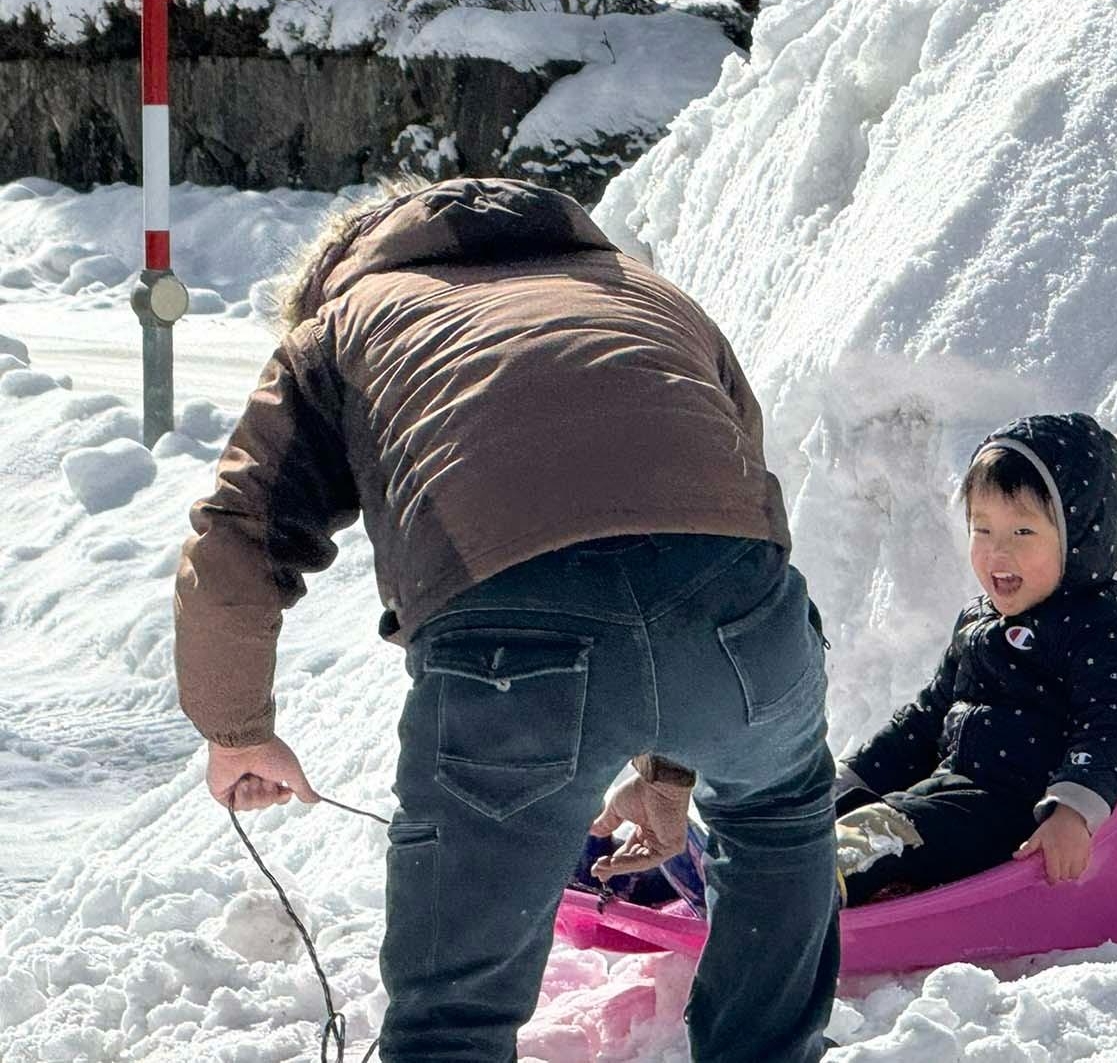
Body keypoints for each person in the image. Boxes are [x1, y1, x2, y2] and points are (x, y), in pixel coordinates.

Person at [174, 177, 838, 1063]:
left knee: (456, 1009)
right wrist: (677, 758)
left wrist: (237, 728)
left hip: (511, 645)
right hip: (743, 622)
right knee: (777, 814)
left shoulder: (338, 326)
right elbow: (737, 507)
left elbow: (240, 537)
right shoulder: (644, 290)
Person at [830, 413, 1117, 905]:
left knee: (887, 830)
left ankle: (797, 886)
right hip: (950, 796)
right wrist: (852, 775)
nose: (997, 553)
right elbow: (927, 718)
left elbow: (1114, 728)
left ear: (1080, 535)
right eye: (982, 529)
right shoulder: (978, 621)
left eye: (1023, 533)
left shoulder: (1106, 627)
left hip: (1017, 816)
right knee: (841, 807)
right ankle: (739, 864)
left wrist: (1071, 809)